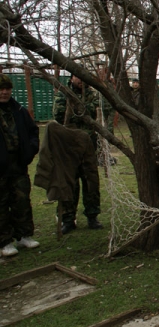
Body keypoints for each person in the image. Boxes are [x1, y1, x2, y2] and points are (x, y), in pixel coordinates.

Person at [53, 74, 103, 234]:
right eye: (77, 77)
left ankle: (92, 216)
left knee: (91, 183)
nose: (80, 80)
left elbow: (92, 113)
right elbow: (59, 115)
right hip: (69, 147)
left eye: (82, 77)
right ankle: (68, 219)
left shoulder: (92, 93)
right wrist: (80, 111)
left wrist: (78, 110)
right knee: (69, 184)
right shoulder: (63, 93)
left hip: (88, 146)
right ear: (72, 78)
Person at [0, 74, 40, 257]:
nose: (5, 92)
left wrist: (31, 149)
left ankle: (23, 235)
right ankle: (5, 241)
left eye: (7, 88)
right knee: (1, 203)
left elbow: (33, 131)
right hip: (1, 167)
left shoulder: (19, 110)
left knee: (22, 200)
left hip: (18, 164)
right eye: (1, 89)